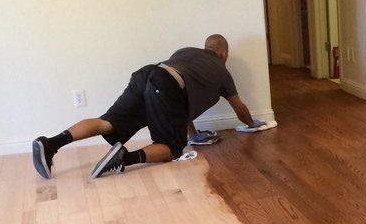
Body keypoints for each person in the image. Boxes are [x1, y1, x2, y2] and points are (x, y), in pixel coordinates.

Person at [31, 34, 265, 180]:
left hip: (147, 75)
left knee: (107, 122)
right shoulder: (222, 71)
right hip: (167, 86)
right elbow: (239, 108)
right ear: (224, 53)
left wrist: (194, 134)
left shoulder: (185, 52)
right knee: (172, 148)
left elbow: (180, 102)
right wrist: (252, 123)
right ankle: (124, 158)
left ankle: (50, 143)